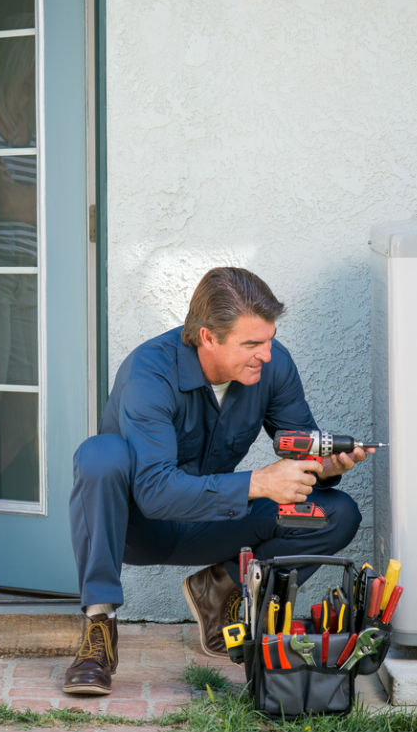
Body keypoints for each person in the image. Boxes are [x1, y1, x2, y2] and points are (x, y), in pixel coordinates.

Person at [63, 267, 371, 695]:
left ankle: (220, 589)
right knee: (100, 456)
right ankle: (99, 628)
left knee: (335, 514)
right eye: (251, 344)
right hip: (139, 527)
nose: (266, 354)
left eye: (268, 339)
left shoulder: (271, 363)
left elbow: (301, 452)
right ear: (208, 337)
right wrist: (260, 483)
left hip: (216, 519)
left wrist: (328, 467)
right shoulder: (149, 374)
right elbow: (154, 492)